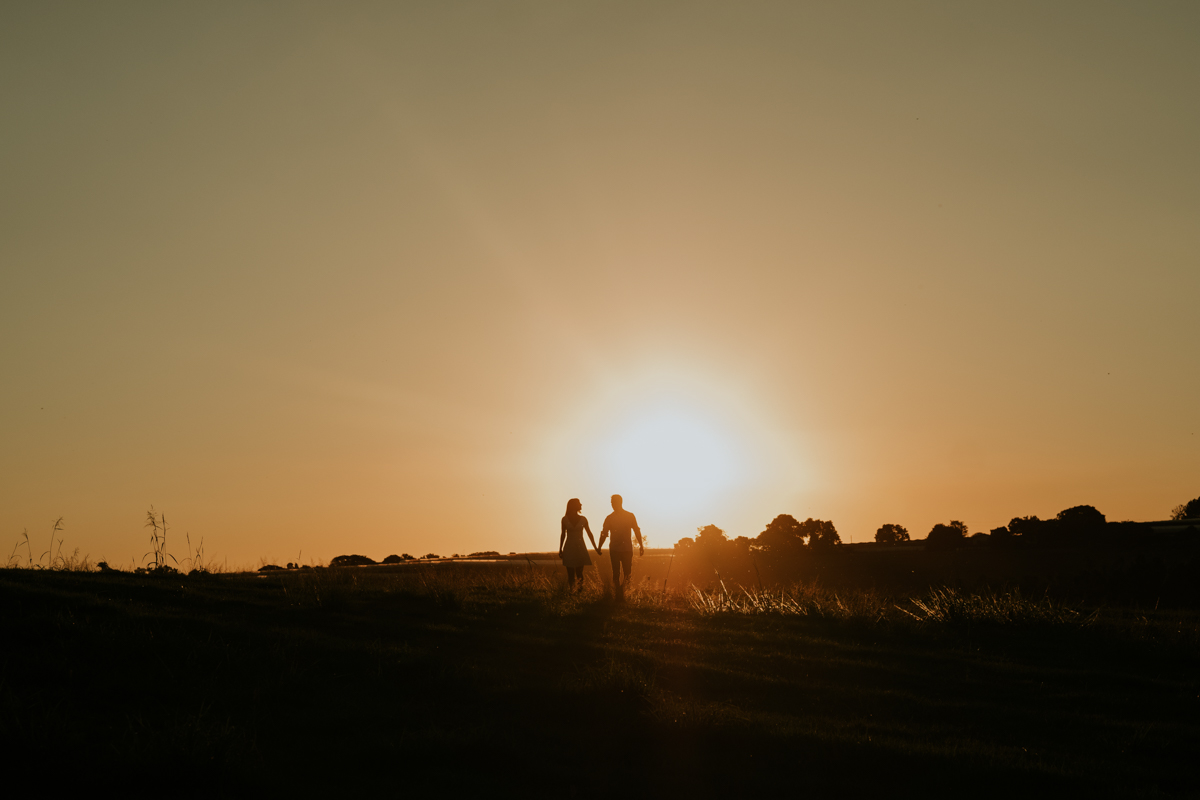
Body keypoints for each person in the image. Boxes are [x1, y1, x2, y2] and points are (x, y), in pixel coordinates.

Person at [597, 494, 643, 601]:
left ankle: (620, 594)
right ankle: (619, 595)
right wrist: (599, 546)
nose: (613, 505)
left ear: (620, 502)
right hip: (616, 549)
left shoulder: (628, 516)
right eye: (612, 503)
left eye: (614, 502)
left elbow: (636, 530)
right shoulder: (610, 518)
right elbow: (604, 534)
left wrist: (641, 545)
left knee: (627, 573)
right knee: (617, 573)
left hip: (625, 549)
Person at [559, 498, 597, 591]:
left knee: (579, 572)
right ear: (574, 506)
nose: (581, 505)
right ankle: (572, 591)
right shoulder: (564, 519)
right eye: (579, 503)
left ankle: (579, 591)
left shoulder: (583, 519)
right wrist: (560, 549)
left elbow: (589, 533)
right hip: (569, 547)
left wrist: (595, 547)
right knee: (571, 573)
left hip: (580, 547)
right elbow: (563, 534)